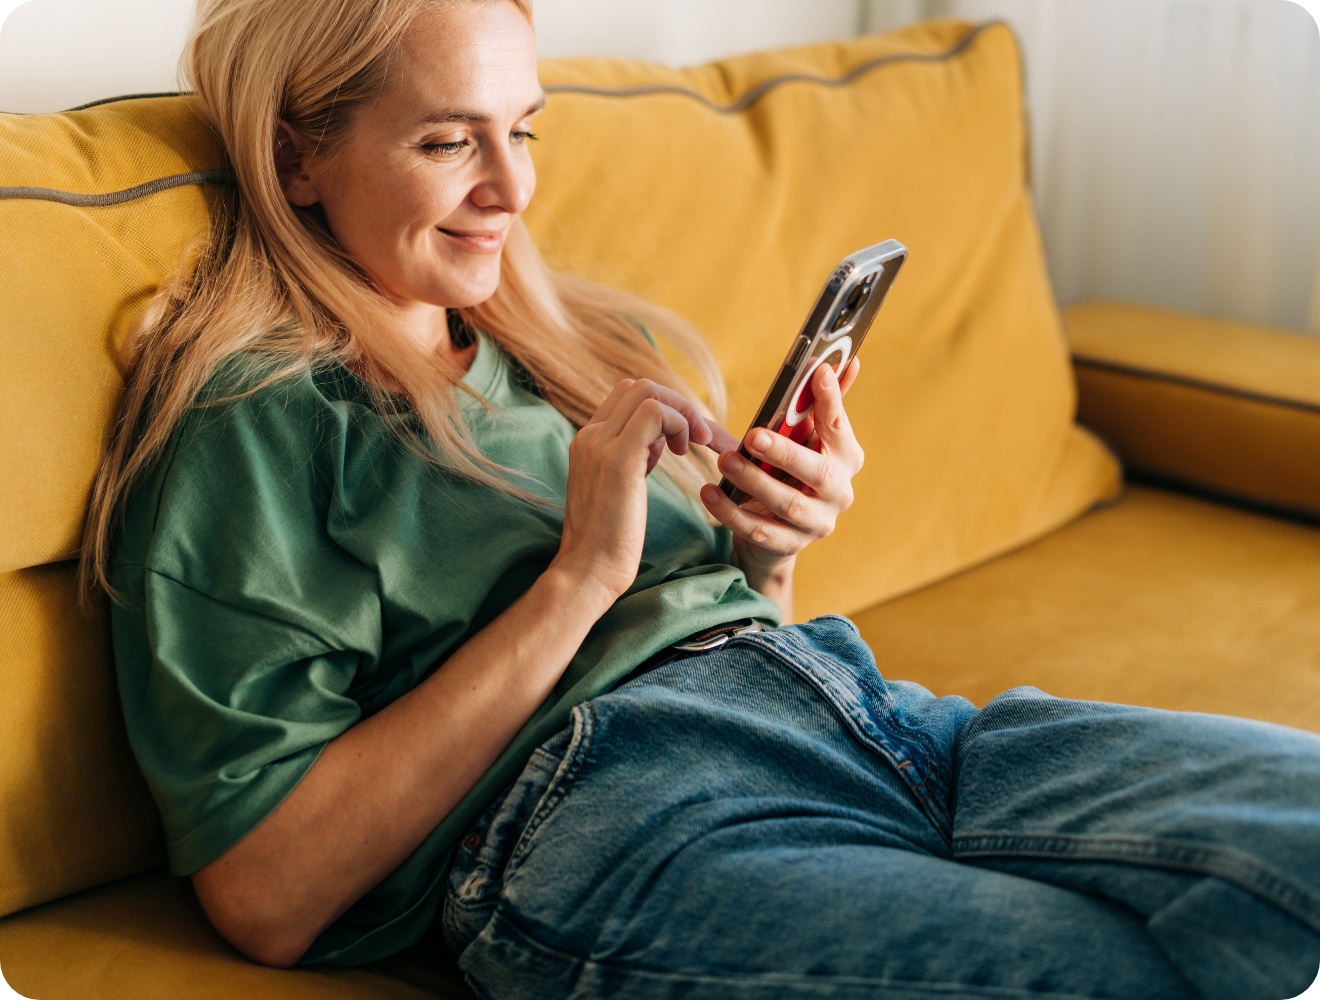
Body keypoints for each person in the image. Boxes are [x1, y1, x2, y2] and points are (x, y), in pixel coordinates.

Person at [82, 0, 1320, 997]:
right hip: (619, 817)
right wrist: (579, 578)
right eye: (447, 140)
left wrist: (766, 549)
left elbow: (724, 620)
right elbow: (266, 895)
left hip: (871, 718)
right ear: (298, 157)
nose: (512, 194)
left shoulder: (572, 345)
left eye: (525, 128)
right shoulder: (259, 419)